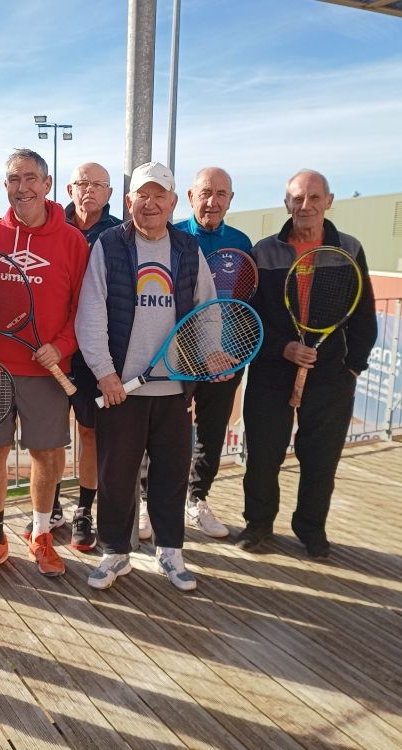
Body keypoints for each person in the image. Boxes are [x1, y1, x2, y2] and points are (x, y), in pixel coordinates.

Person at [75, 162, 226, 591]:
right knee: (115, 477)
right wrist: (105, 373)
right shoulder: (109, 244)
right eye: (143, 194)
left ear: (173, 202)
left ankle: (170, 552)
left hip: (175, 389)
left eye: (160, 195)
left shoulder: (187, 248)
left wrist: (211, 353)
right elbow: (91, 313)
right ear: (129, 202)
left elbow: (207, 310)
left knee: (170, 476)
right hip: (121, 390)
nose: (151, 203)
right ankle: (115, 553)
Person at [0, 149, 89, 579]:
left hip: (46, 371)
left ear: (47, 184)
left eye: (30, 178)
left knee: (47, 454)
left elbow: (84, 308)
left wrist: (61, 346)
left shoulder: (73, 241)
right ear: (5, 185)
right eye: (13, 179)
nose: (21, 187)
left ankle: (41, 535)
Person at [237, 169, 377, 560]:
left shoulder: (350, 248)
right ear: (286, 204)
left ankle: (311, 529)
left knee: (320, 459)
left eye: (314, 197)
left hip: (331, 376)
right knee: (263, 455)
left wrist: (352, 367)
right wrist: (281, 348)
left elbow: (364, 315)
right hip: (271, 372)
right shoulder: (264, 251)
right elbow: (248, 314)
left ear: (328, 201)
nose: (306, 205)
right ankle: (258, 524)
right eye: (297, 198)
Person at [27, 161, 121, 552]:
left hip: (92, 354)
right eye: (83, 183)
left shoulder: (118, 234)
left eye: (98, 184)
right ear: (69, 190)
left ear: (109, 193)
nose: (90, 190)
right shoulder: (49, 225)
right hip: (48, 352)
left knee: (89, 433)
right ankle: (49, 508)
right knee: (49, 439)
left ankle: (84, 510)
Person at [173, 167, 253, 540]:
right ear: (191, 196)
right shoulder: (171, 236)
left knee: (211, 433)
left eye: (221, 194)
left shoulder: (242, 242)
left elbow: (246, 302)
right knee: (164, 433)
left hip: (225, 359)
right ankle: (149, 500)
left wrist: (233, 350)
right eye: (205, 192)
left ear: (230, 200)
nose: (212, 201)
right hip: (177, 358)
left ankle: (197, 499)